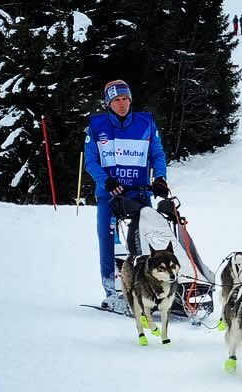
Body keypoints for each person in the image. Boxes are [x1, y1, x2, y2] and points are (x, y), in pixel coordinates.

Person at [84, 79, 170, 308]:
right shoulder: (96, 125)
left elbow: (158, 154)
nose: (121, 104)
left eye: (125, 99)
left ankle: (150, 287)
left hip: (139, 192)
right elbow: (91, 161)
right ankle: (112, 291)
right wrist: (106, 180)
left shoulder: (146, 123)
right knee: (108, 240)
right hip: (109, 194)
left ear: (130, 100)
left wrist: (159, 178)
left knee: (147, 241)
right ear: (108, 103)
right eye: (116, 100)